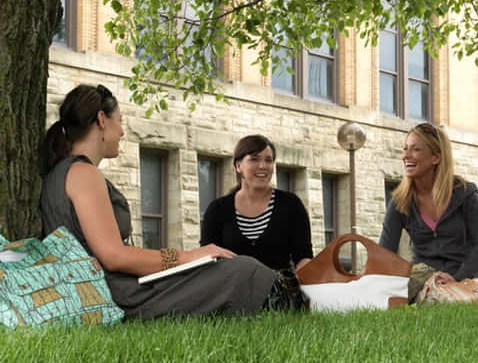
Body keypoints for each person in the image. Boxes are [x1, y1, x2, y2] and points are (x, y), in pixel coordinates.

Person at [40, 84, 297, 319]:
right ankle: (289, 307)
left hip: (114, 287)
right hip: (117, 295)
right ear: (101, 120)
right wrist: (188, 256)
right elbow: (114, 257)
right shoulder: (83, 174)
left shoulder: (62, 173)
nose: (121, 131)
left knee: (228, 267)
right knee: (242, 270)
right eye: (119, 121)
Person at [379, 122, 478, 301]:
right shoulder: (400, 201)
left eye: (415, 150)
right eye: (405, 149)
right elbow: (385, 253)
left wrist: (457, 277)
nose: (405, 156)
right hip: (422, 278)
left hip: (463, 276)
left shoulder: (464, 193)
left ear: (436, 158)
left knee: (474, 297)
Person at [201, 135, 313, 272]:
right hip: (231, 290)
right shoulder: (218, 209)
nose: (263, 166)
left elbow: (304, 256)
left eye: (268, 160)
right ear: (238, 165)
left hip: (279, 290)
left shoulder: (291, 205)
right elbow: (206, 258)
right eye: (254, 159)